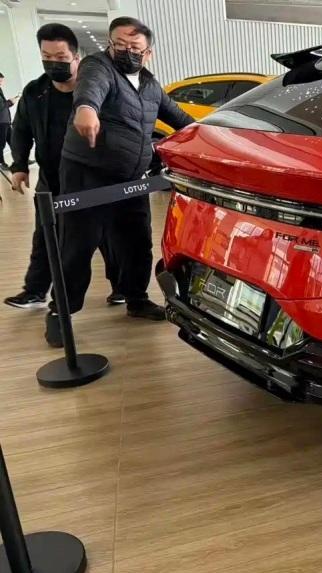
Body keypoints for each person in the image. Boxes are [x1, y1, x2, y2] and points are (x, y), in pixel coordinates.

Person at [47, 16, 193, 347]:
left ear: (148, 52)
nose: (127, 51)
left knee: (136, 241)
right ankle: (60, 313)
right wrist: (86, 108)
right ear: (110, 45)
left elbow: (181, 120)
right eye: (120, 45)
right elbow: (91, 89)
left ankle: (136, 299)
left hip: (130, 177)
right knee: (78, 244)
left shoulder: (151, 85)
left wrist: (215, 132)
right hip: (87, 173)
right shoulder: (98, 67)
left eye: (135, 47)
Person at [5, 24, 123, 310]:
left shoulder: (95, 89)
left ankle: (122, 288)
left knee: (108, 237)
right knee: (45, 235)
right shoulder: (35, 92)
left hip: (94, 180)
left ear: (76, 57)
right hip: (53, 178)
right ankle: (35, 291)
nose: (53, 64)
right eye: (46, 57)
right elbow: (21, 130)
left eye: (60, 58)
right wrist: (19, 165)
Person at [0, 73, 19, 169]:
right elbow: (1, 106)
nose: (1, 83)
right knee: (1, 144)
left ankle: (21, 160)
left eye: (1, 81)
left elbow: (3, 105)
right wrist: (10, 102)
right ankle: (1, 163)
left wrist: (11, 102)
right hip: (1, 123)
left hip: (6, 121)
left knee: (13, 142)